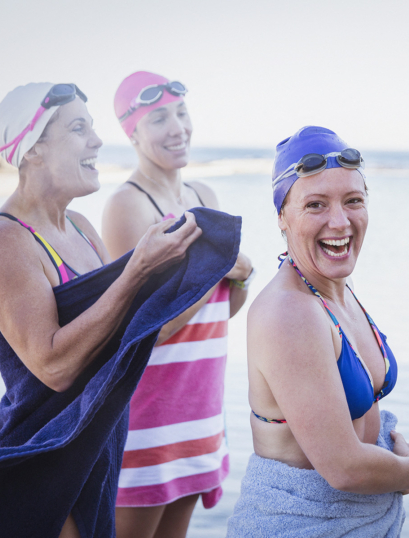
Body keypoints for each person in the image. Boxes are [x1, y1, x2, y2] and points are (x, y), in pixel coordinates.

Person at [0, 82, 241, 538]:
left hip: (98, 444)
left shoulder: (83, 228)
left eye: (92, 128)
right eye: (78, 129)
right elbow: (53, 366)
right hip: (48, 454)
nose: (96, 141)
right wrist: (136, 271)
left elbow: (123, 329)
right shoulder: (3, 241)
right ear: (33, 150)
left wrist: (199, 266)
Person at [225, 126, 409, 538]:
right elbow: (344, 468)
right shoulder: (288, 313)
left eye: (353, 201)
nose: (340, 221)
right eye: (315, 204)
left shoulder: (334, 291)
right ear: (282, 215)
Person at [102, 71, 253, 538]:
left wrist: (243, 276)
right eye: (159, 118)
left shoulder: (203, 197)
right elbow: (143, 329)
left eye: (182, 114)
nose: (177, 128)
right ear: (132, 133)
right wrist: (216, 270)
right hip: (150, 411)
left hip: (200, 405)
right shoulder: (128, 206)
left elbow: (219, 313)